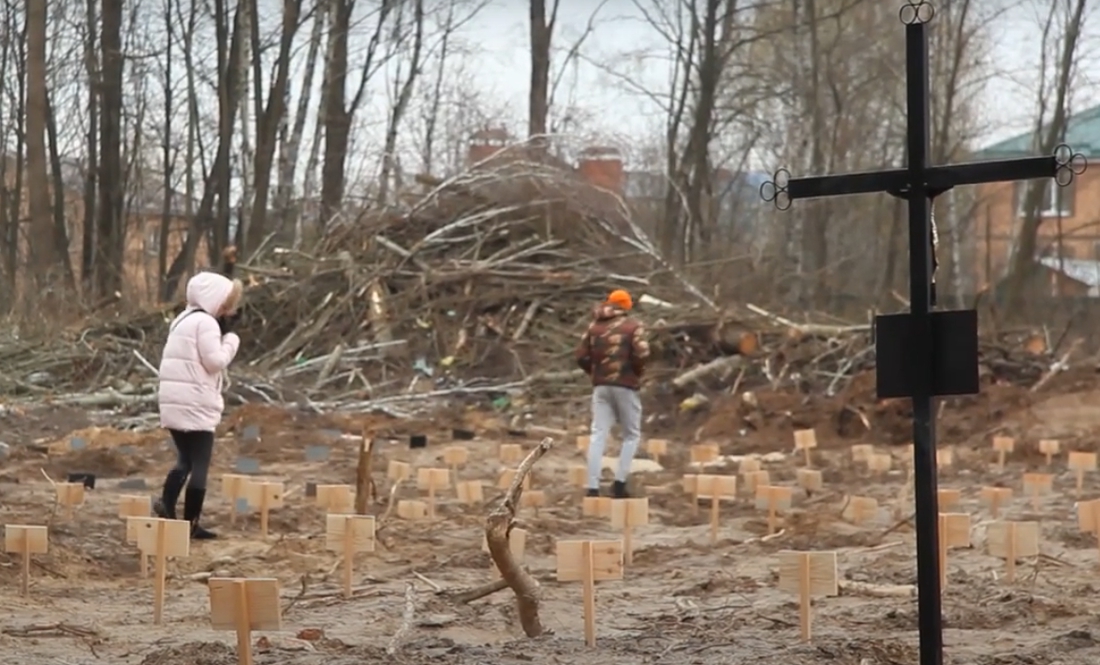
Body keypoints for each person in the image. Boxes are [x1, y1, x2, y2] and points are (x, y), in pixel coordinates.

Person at [153, 271, 242, 539]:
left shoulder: (182, 320)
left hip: (174, 403)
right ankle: (191, 524)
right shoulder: (206, 323)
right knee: (200, 463)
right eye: (225, 303)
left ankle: (167, 504)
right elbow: (214, 361)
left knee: (185, 459)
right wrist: (231, 343)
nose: (227, 310)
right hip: (196, 405)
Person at [574, 289, 650, 498]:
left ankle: (592, 487)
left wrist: (594, 373)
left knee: (598, 434)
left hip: (601, 386)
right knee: (631, 435)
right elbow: (642, 353)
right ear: (627, 306)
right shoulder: (633, 326)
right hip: (625, 385)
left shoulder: (594, 326)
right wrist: (636, 373)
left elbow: (580, 355)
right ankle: (619, 483)